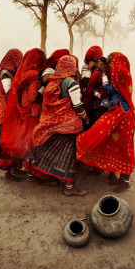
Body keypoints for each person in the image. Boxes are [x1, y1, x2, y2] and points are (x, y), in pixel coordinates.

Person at [25, 55, 89, 196]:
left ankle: (31, 173)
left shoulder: (52, 82)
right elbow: (77, 106)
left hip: (50, 124)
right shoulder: (71, 83)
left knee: (45, 150)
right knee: (69, 156)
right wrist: (85, 117)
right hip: (69, 127)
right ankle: (69, 187)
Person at [76, 52, 135, 191]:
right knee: (116, 143)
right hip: (121, 112)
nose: (107, 65)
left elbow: (109, 90)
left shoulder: (120, 73)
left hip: (124, 114)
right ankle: (120, 178)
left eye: (109, 62)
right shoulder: (122, 73)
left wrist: (103, 73)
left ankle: (125, 181)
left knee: (123, 146)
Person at [0, 48, 46, 178]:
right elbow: (11, 92)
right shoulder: (7, 73)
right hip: (9, 108)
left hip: (15, 108)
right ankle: (11, 168)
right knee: (13, 138)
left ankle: (13, 167)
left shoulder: (20, 74)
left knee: (15, 137)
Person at [0, 48, 23, 170]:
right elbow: (8, 92)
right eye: (18, 58)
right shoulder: (6, 73)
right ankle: (7, 169)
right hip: (5, 108)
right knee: (5, 139)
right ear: (13, 59)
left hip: (6, 107)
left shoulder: (9, 71)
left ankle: (10, 168)